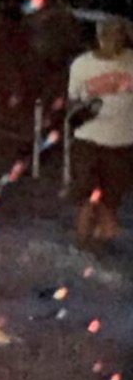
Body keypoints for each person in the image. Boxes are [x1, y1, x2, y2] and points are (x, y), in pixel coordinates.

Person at [68, 16, 133, 246]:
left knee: (110, 203)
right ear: (98, 36)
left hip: (122, 144)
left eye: (118, 33)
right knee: (86, 200)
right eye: (107, 34)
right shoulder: (81, 65)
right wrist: (84, 112)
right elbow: (71, 104)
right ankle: (81, 244)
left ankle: (100, 249)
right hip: (88, 141)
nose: (112, 39)